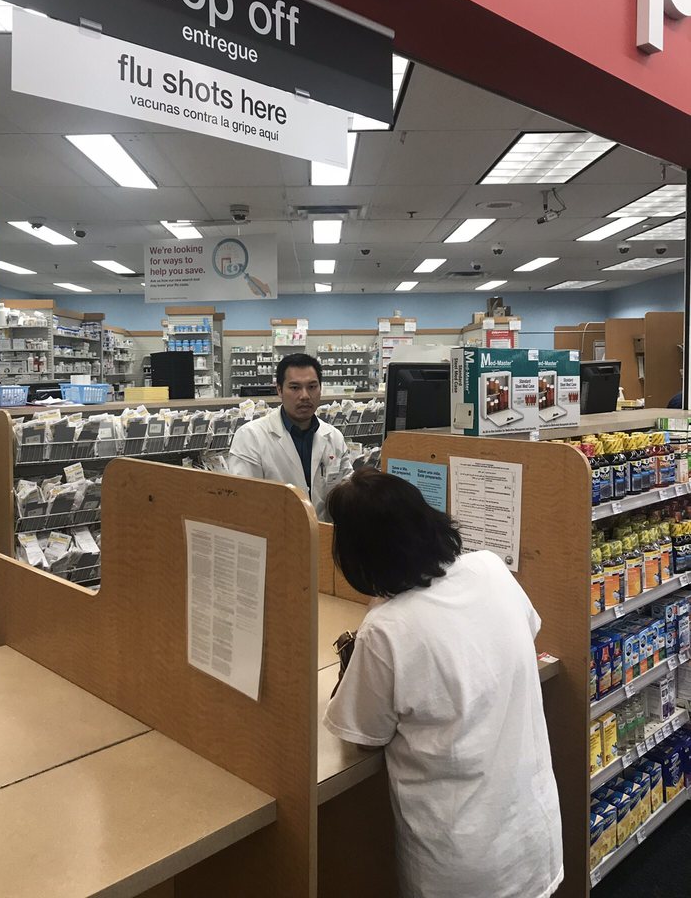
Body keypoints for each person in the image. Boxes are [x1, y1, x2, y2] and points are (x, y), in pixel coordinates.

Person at [323, 468, 563, 898]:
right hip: (532, 833)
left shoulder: (386, 628)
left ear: (359, 556)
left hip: (461, 863)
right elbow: (525, 633)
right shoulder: (490, 567)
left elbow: (363, 737)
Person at [227, 353, 352, 520]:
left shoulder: (334, 437)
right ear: (279, 390)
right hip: (276, 534)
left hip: (325, 533)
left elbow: (347, 493)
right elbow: (244, 502)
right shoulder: (251, 437)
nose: (305, 395)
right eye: (295, 388)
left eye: (312, 387)